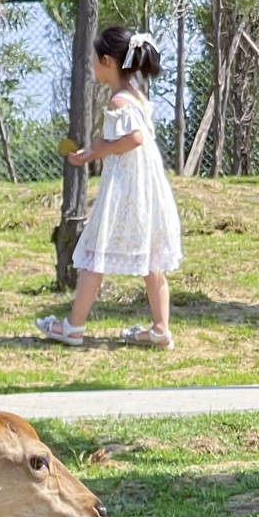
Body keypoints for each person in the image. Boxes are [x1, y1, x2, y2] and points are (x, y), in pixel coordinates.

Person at [37, 27, 183, 350]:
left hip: (126, 190)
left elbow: (134, 139)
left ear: (107, 61)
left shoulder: (119, 101)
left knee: (95, 255)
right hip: (145, 188)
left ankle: (74, 327)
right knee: (151, 258)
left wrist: (99, 148)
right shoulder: (137, 96)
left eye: (94, 59)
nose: (92, 64)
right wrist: (94, 151)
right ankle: (160, 330)